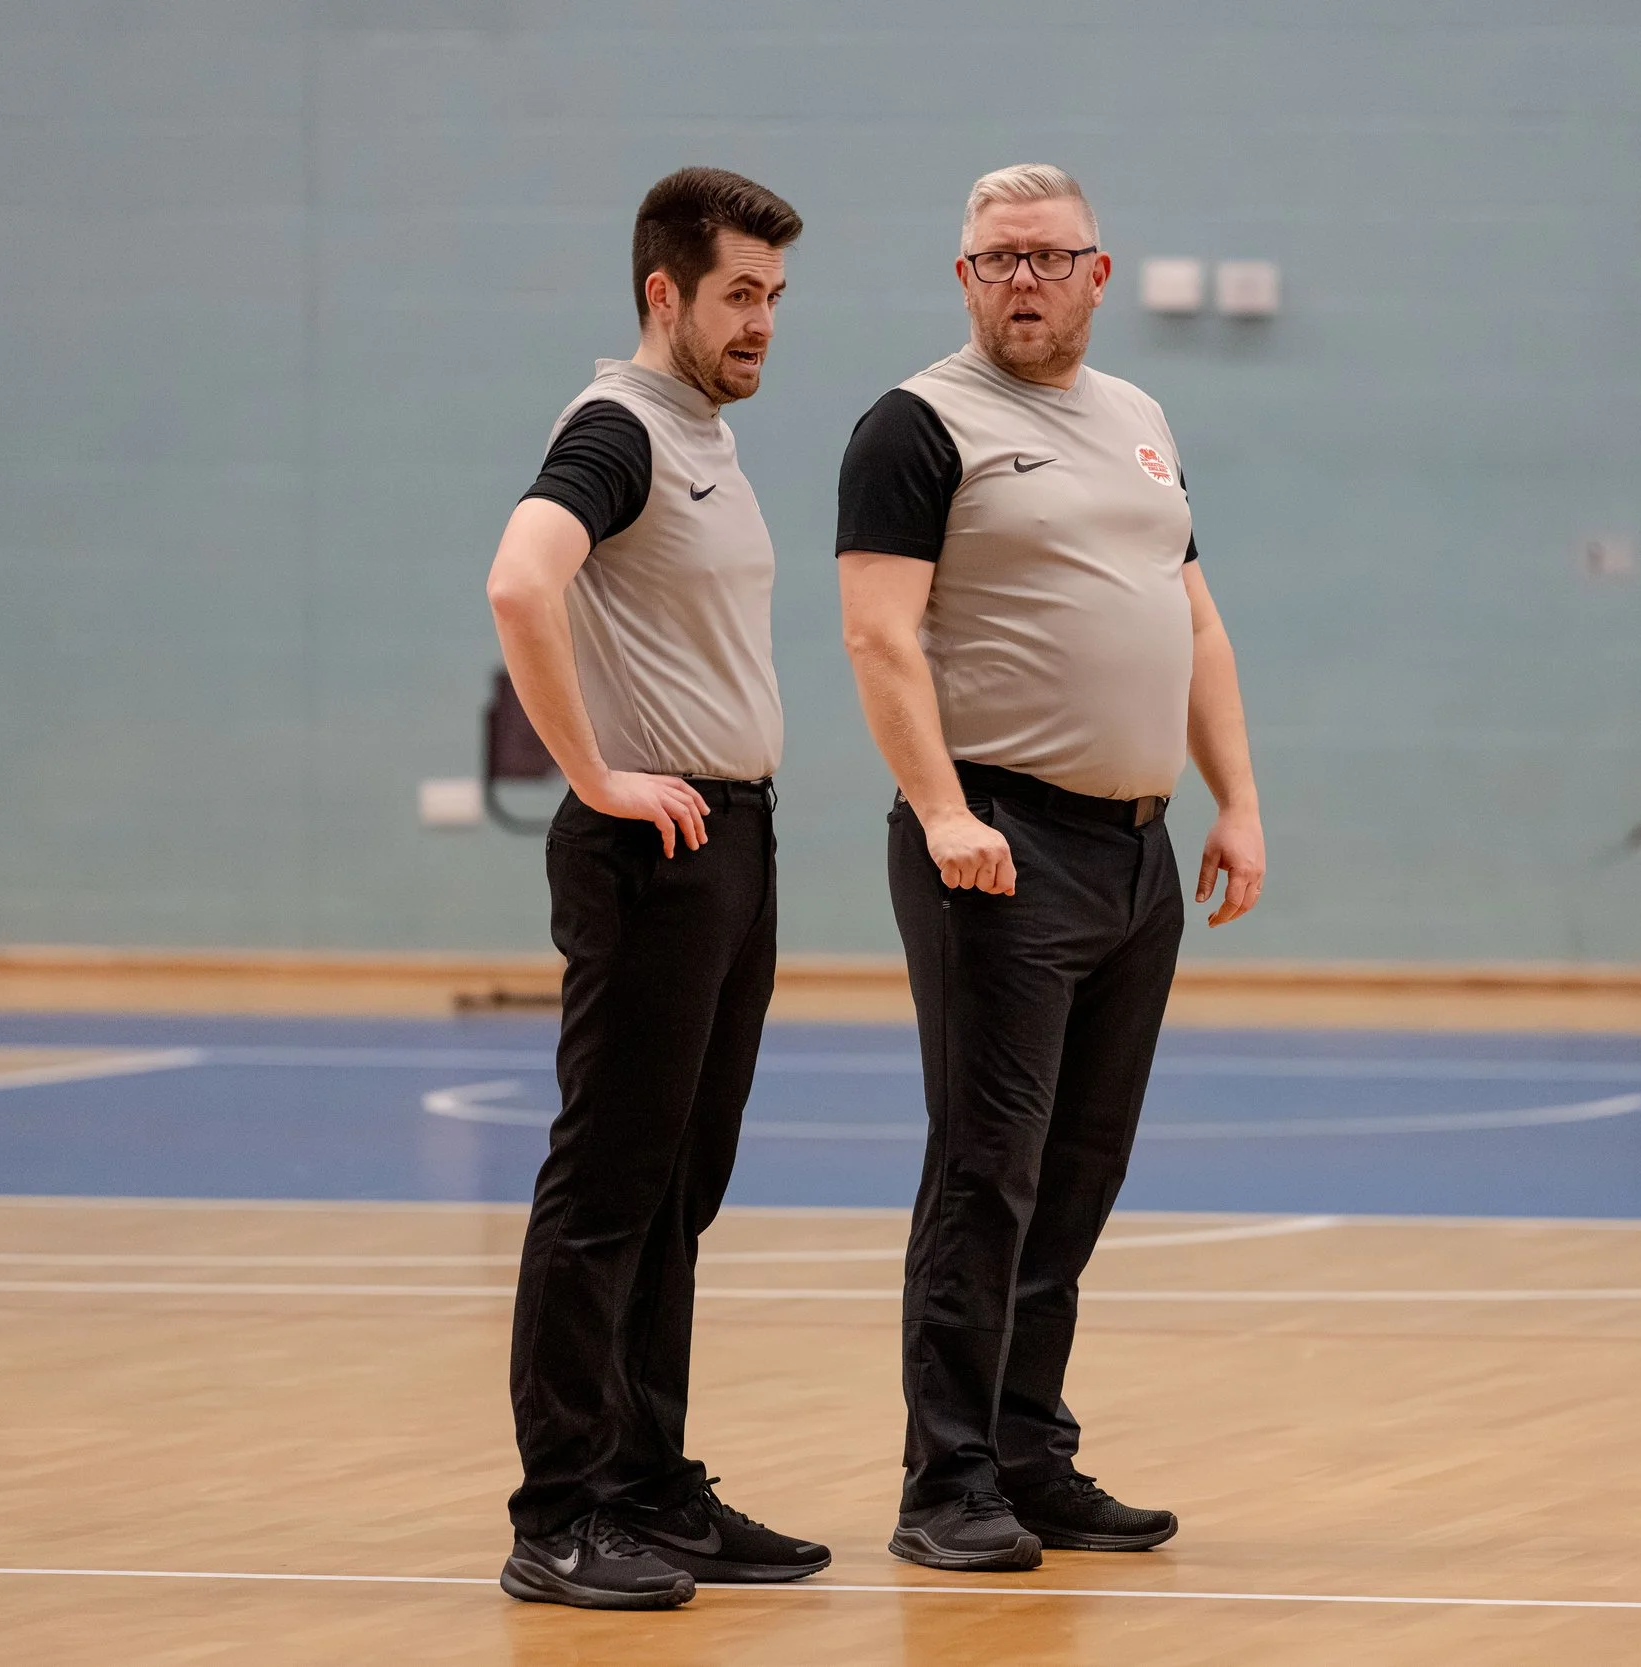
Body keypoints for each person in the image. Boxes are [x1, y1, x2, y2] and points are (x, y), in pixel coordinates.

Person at [836, 164, 1267, 1572]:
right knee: (987, 1169)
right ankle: (945, 1477)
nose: (1021, 279)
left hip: (1136, 859)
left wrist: (1235, 802)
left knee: (1078, 1169)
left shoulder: (1140, 419)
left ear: (1097, 270)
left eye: (1046, 256)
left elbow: (1191, 620)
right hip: (999, 848)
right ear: (961, 280)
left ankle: (1029, 1452)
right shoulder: (916, 426)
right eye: (994, 259)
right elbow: (879, 635)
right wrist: (944, 809)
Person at [485, 166, 830, 1610]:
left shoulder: (703, 433)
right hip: (653, 848)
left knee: (680, 1184)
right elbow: (521, 579)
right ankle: (558, 1512)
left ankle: (648, 1481)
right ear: (663, 294)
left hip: (729, 844)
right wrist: (598, 774)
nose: (762, 324)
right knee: (608, 1187)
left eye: (775, 298)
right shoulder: (619, 426)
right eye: (740, 295)